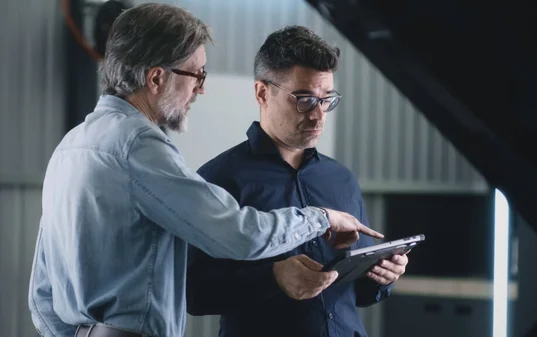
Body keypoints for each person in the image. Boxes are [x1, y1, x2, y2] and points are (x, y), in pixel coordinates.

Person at [27, 5, 382, 337]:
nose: (201, 87)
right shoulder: (139, 146)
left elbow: (42, 294)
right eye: (196, 73)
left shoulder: (71, 147)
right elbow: (240, 234)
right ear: (155, 79)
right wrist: (319, 218)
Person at [186, 25, 409, 337]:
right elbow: (195, 293)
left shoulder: (341, 180)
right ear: (262, 92)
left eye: (327, 99)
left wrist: (383, 276)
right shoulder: (218, 180)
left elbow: (356, 293)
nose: (318, 115)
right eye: (304, 99)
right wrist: (273, 277)